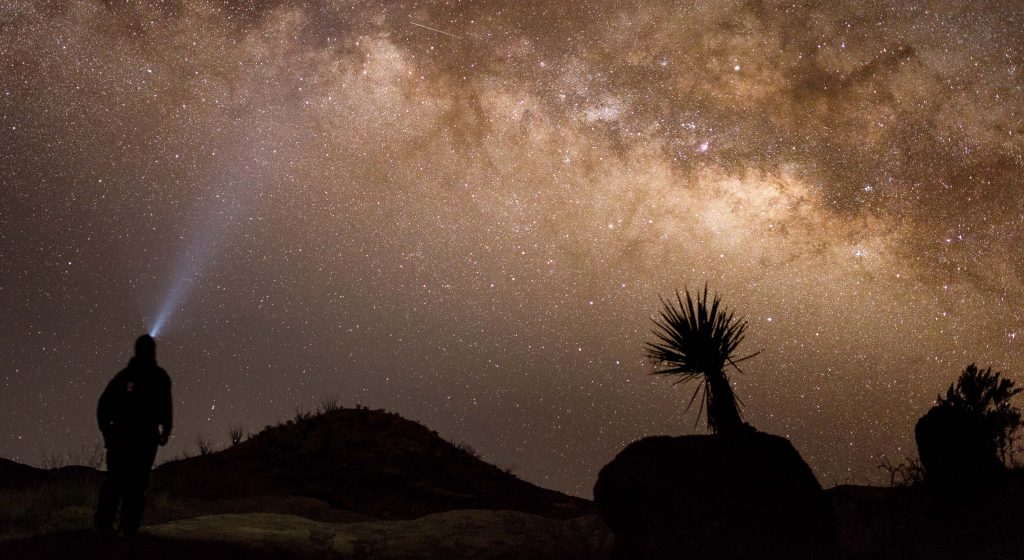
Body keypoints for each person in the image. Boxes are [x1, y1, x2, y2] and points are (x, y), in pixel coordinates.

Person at [94, 334, 172, 538]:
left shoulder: (126, 376)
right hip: (138, 440)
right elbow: (166, 409)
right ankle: (124, 529)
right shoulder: (156, 377)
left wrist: (108, 433)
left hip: (130, 440)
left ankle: (110, 528)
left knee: (122, 483)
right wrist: (165, 431)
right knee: (132, 485)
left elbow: (103, 406)